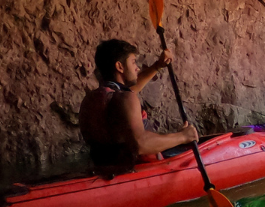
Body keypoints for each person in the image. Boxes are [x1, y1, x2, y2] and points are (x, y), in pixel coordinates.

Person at [79, 39, 199, 168]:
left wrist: (157, 66)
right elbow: (140, 144)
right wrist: (183, 136)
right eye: (133, 62)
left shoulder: (93, 98)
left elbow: (127, 94)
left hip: (104, 169)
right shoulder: (125, 98)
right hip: (139, 172)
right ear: (120, 66)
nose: (137, 68)